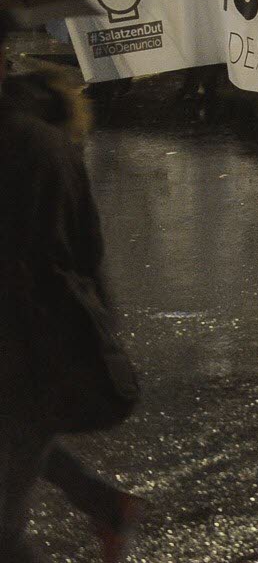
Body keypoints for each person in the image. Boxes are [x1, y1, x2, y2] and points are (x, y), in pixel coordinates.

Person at [0, 59, 144, 563]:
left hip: (25, 348)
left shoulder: (25, 147)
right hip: (38, 347)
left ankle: (103, 503)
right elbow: (89, 252)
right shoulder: (47, 142)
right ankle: (104, 504)